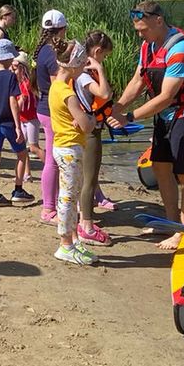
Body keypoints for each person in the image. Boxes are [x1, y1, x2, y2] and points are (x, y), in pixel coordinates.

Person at [110, 1, 184, 250]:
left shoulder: (181, 48)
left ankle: (183, 231)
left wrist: (129, 117)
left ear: (158, 21)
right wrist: (116, 108)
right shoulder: (147, 46)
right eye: (138, 30)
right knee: (161, 168)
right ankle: (171, 222)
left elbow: (165, 97)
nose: (140, 34)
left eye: (143, 29)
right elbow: (137, 82)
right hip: (163, 116)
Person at [48, 40, 99, 265]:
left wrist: (83, 120)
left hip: (64, 145)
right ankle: (65, 244)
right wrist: (92, 118)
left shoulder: (55, 87)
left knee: (72, 194)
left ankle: (74, 239)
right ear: (73, 65)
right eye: (81, 65)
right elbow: (86, 125)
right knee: (68, 197)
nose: (83, 68)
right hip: (70, 148)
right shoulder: (67, 92)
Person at [73, 30, 115, 246]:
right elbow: (105, 94)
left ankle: (82, 219)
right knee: (90, 180)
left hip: (86, 130)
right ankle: (86, 225)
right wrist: (99, 68)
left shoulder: (77, 70)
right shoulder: (86, 75)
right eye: (104, 56)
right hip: (91, 132)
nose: (103, 60)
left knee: (84, 179)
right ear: (97, 51)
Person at [0, 39, 35, 207]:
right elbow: (13, 101)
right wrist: (18, 126)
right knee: (22, 154)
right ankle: (18, 189)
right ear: (6, 57)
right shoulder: (10, 77)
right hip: (9, 123)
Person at [34, 9, 68, 225]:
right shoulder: (53, 54)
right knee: (53, 159)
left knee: (51, 157)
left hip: (44, 107)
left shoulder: (43, 51)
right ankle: (48, 208)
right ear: (62, 29)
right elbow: (58, 85)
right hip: (51, 109)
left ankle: (51, 204)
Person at [13, 51, 40, 175]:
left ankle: (51, 165)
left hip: (30, 119)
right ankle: (27, 173)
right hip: (23, 119)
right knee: (22, 148)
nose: (12, 70)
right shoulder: (17, 84)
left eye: (14, 67)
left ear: (21, 68)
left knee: (33, 147)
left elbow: (19, 106)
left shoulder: (26, 84)